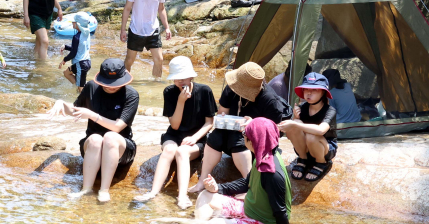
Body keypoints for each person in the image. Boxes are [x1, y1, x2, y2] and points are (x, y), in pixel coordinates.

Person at [135, 56, 217, 208]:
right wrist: (180, 101)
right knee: (169, 150)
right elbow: (174, 125)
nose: (180, 81)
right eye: (176, 78)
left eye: (183, 77)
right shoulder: (169, 92)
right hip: (174, 134)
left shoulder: (204, 91)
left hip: (197, 138)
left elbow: (209, 123)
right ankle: (153, 192)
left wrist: (194, 138)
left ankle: (182, 196)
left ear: (191, 76)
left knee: (182, 152)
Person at [62, 58, 140, 203]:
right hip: (93, 146)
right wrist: (61, 104)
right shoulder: (91, 87)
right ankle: (86, 189)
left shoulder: (131, 95)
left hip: (120, 147)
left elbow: (118, 127)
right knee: (96, 138)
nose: (111, 87)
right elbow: (74, 111)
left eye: (115, 83)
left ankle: (104, 190)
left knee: (110, 137)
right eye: (107, 83)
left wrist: (93, 115)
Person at [198, 61, 289, 184]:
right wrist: (223, 118)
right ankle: (202, 180)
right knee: (215, 136)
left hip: (254, 145)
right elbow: (221, 112)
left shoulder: (270, 101)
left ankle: (249, 183)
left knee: (238, 139)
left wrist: (254, 125)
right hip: (231, 137)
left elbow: (273, 133)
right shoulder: (232, 88)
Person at [194, 117, 292, 224]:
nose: (243, 136)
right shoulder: (264, 155)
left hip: (261, 220)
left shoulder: (270, 172)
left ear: (253, 140)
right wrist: (218, 188)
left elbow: (280, 212)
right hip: (249, 209)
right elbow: (247, 182)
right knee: (205, 195)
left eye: (245, 133)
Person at [280, 72, 338, 182]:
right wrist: (296, 119)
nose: (309, 93)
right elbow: (290, 134)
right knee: (294, 127)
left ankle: (321, 163)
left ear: (323, 92)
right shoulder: (302, 108)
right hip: (306, 148)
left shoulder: (330, 111)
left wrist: (295, 123)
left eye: (314, 90)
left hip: (325, 149)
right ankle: (303, 159)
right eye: (306, 89)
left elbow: (321, 130)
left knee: (311, 135)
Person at [121, 0, 172, 79]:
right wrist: (123, 30)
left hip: (153, 30)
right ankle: (123, 82)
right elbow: (127, 9)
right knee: (129, 60)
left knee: (159, 59)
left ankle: (156, 83)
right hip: (136, 30)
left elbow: (161, 9)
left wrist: (167, 27)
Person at [60, 13, 94, 87]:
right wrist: (66, 47)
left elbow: (73, 53)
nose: (72, 23)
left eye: (73, 21)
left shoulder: (76, 37)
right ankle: (84, 85)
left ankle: (84, 89)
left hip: (81, 65)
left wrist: (64, 60)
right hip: (86, 62)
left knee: (80, 88)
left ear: (78, 24)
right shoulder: (86, 33)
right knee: (66, 73)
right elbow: (78, 48)